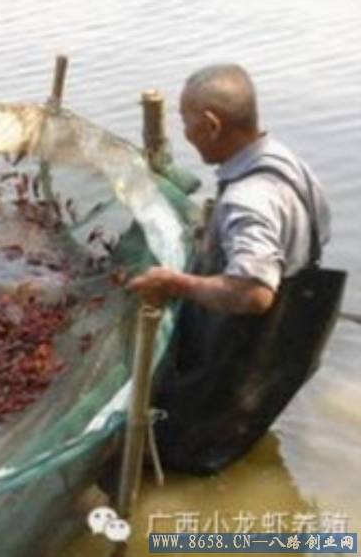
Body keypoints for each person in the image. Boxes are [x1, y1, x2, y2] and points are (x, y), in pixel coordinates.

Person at [126, 64, 342, 474]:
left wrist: (174, 281)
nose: (185, 133)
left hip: (244, 343)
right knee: (240, 419)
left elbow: (254, 293)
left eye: (186, 122)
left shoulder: (249, 197)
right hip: (288, 335)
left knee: (181, 451)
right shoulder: (284, 160)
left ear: (210, 124)